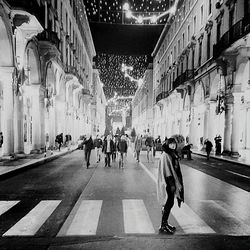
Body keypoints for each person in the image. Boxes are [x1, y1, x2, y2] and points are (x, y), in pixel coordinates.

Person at [157, 137, 184, 234]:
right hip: (169, 183)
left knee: (170, 203)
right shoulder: (166, 155)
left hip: (172, 182)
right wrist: (172, 185)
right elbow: (167, 171)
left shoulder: (172, 154)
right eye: (171, 143)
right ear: (167, 144)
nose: (173, 145)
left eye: (174, 144)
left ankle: (165, 223)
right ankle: (163, 225)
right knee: (168, 203)